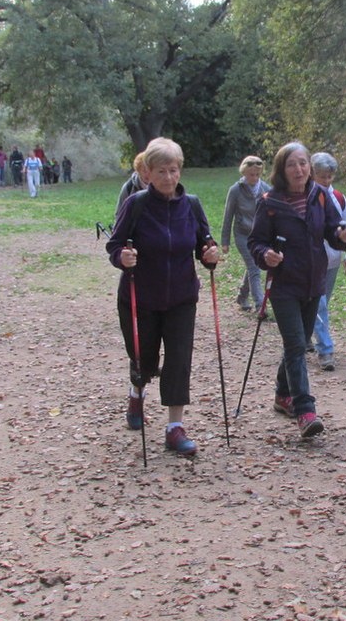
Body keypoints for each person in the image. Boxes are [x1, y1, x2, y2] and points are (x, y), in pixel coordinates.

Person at [106, 137, 220, 457]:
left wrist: (209, 254)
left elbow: (203, 244)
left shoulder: (192, 205)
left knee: (179, 359)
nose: (168, 178)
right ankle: (137, 390)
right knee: (145, 359)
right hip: (140, 295)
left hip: (182, 296)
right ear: (148, 172)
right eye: (161, 171)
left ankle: (174, 428)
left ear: (180, 170)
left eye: (173, 170)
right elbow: (114, 245)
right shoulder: (137, 204)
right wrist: (122, 258)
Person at [248, 142, 346, 438]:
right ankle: (305, 410)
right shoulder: (270, 202)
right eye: (292, 164)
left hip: (314, 282)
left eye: (303, 163)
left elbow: (335, 233)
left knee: (298, 341)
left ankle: (283, 394)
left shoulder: (320, 197)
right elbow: (256, 242)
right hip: (284, 285)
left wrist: (343, 236)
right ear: (282, 170)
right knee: (297, 346)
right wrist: (265, 254)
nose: (299, 169)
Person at [309, 152, 346, 371]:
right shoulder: (307, 196)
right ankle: (325, 349)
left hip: (333, 258)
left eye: (329, 176)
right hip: (314, 259)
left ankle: (305, 334)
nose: (326, 181)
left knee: (321, 301)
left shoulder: (338, 197)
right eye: (321, 176)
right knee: (320, 304)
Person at [221, 155, 271, 313]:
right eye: (251, 175)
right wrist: (225, 241)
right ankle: (259, 305)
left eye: (258, 174)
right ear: (244, 173)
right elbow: (228, 216)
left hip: (259, 236)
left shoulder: (266, 189)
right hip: (242, 235)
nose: (254, 178)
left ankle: (242, 296)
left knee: (252, 266)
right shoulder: (235, 190)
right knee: (254, 267)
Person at [115, 152, 149, 224]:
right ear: (138, 171)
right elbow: (120, 213)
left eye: (150, 170)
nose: (147, 174)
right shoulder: (128, 187)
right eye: (144, 170)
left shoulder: (161, 185)